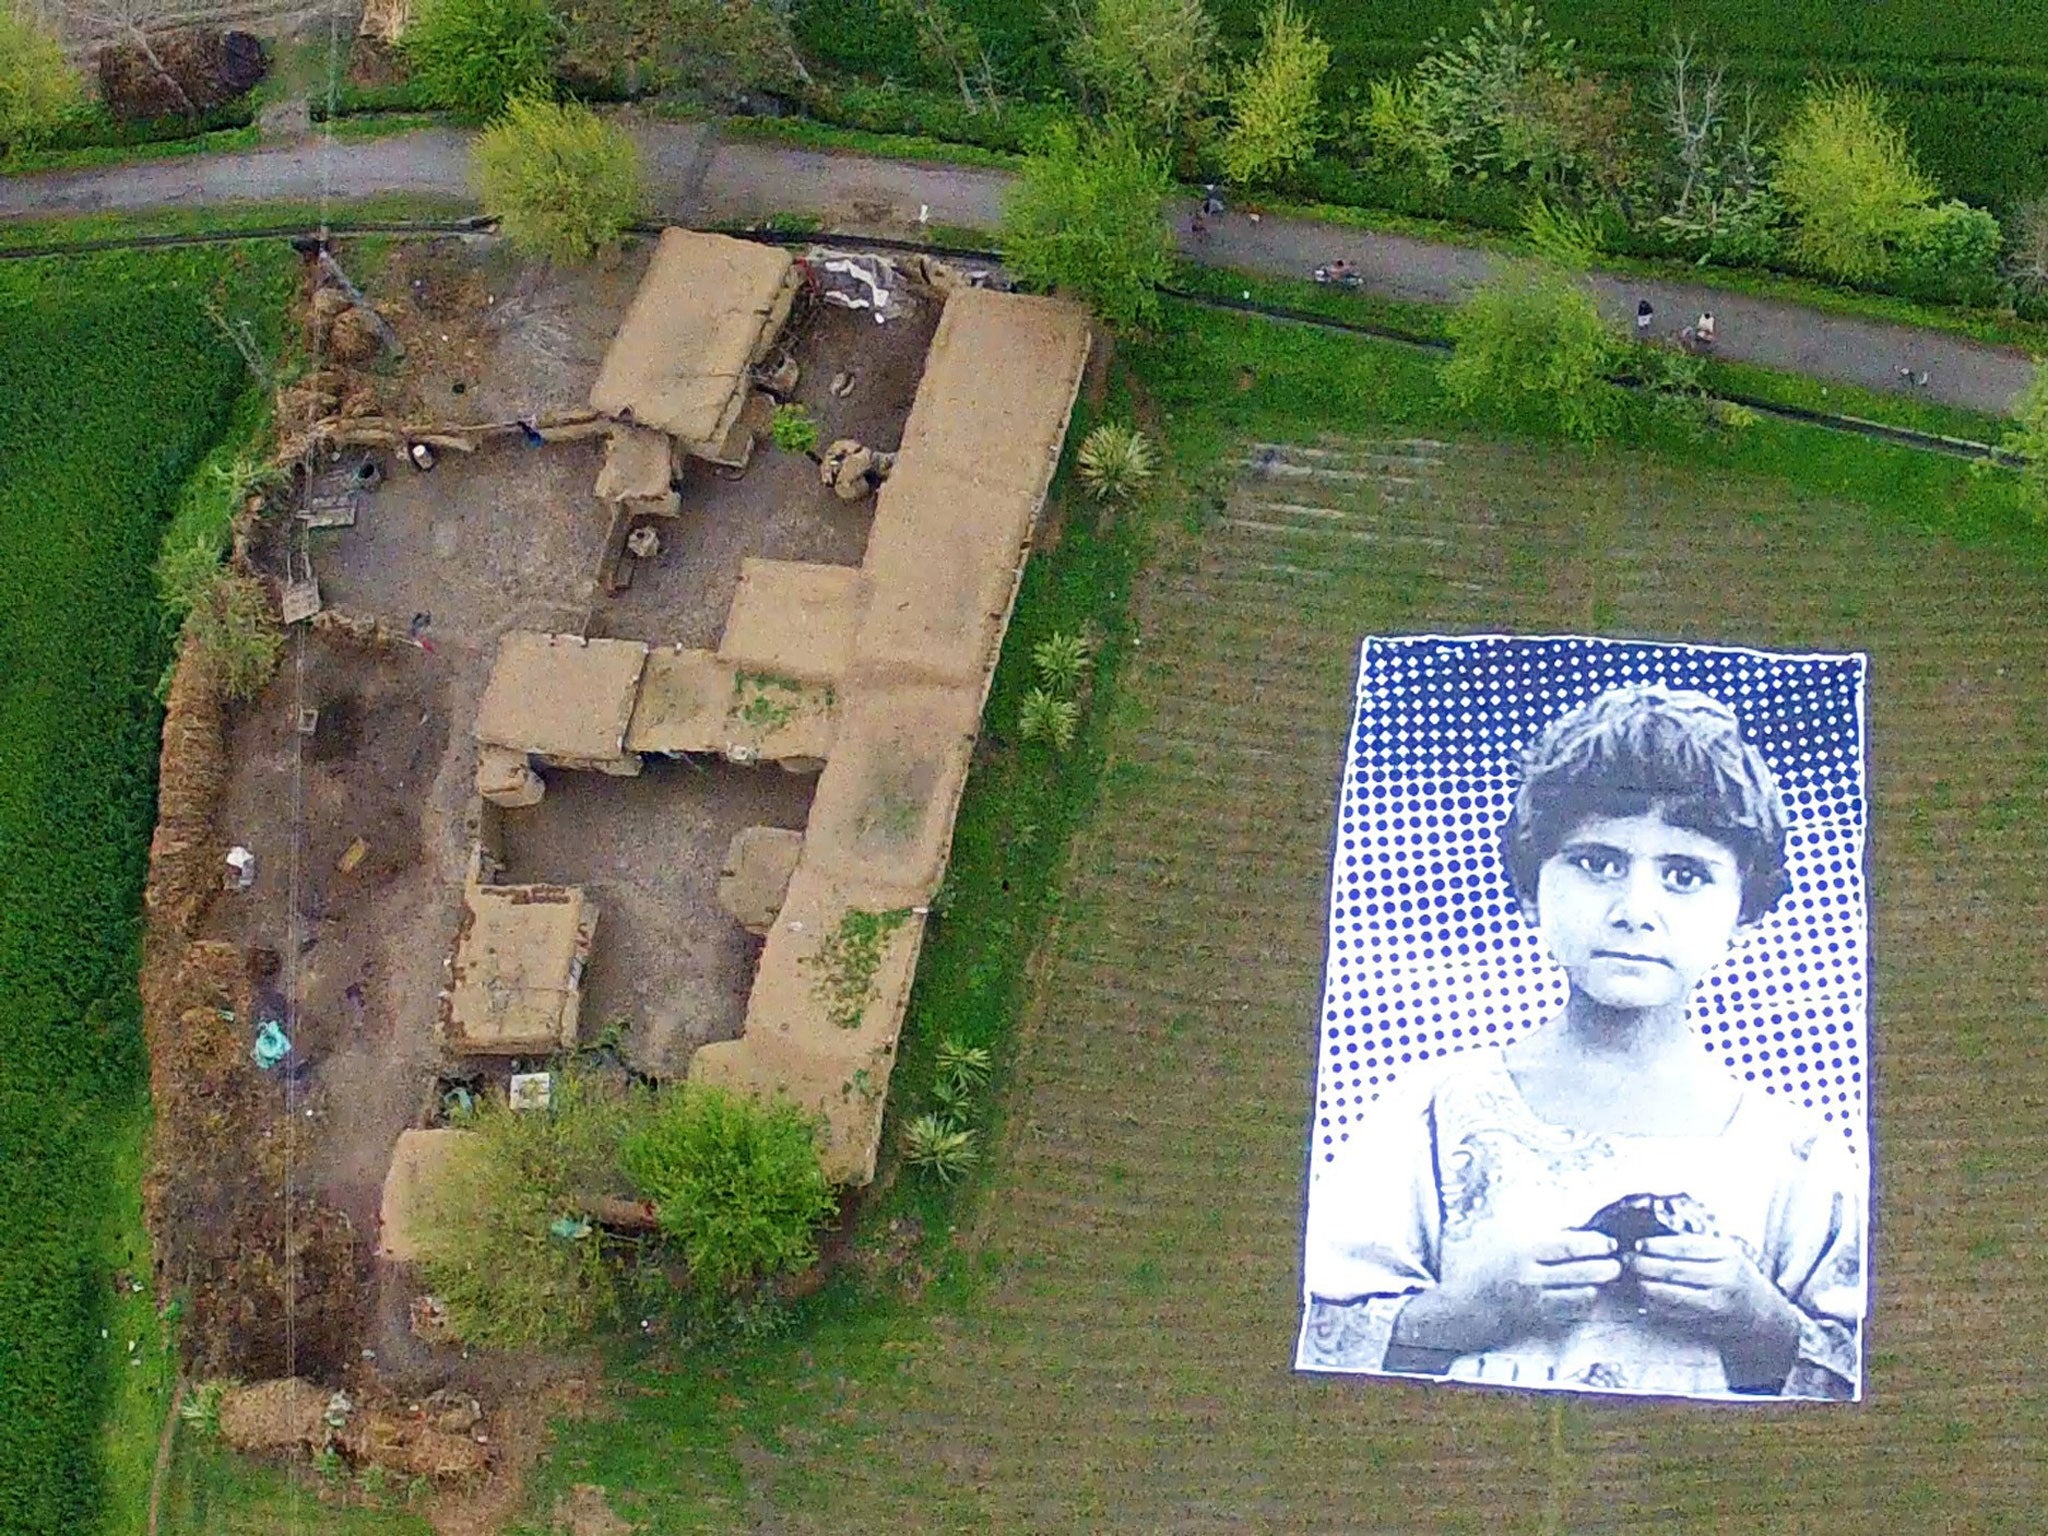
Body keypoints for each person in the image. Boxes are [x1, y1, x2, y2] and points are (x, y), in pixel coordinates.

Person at [1299, 684, 1864, 1400]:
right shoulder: (1432, 1113)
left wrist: (1759, 1320)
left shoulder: (1797, 1157)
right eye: (1597, 863)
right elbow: (1310, 1338)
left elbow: (1869, 1388)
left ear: (1744, 915)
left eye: (1684, 875)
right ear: (1531, 886)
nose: (1635, 910)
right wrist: (1464, 1315)